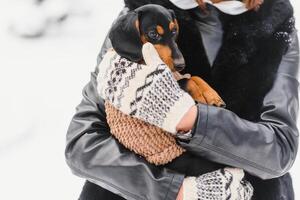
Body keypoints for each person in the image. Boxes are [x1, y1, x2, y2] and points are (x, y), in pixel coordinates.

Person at [65, 0, 299, 199]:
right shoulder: (141, 17)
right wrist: (174, 190)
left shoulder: (276, 26)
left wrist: (191, 119)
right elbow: (82, 144)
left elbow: (279, 151)